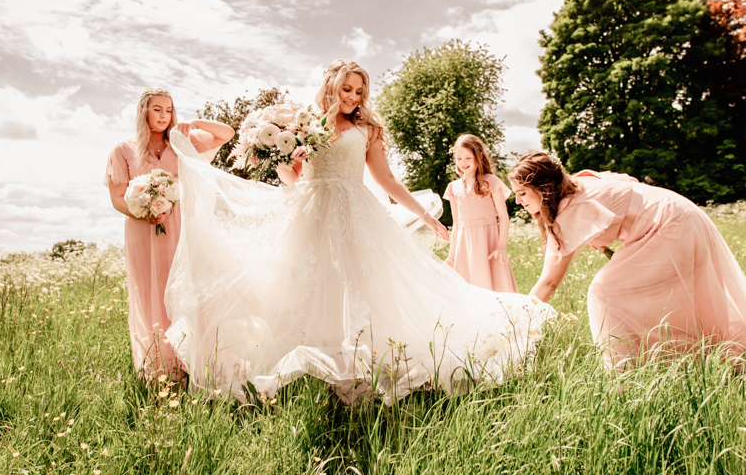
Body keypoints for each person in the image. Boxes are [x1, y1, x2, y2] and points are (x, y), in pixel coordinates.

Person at [164, 61, 554, 403]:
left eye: (359, 91)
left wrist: (428, 215)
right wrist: (289, 160)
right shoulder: (305, 124)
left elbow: (386, 180)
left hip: (353, 211)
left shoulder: (368, 128)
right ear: (331, 86)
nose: (353, 96)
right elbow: (292, 179)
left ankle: (358, 370)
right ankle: (323, 369)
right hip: (311, 213)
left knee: (360, 288)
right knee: (307, 288)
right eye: (347, 89)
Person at [508, 152, 746, 369]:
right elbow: (628, 181)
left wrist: (519, 323)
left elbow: (549, 282)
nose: (518, 201)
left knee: (604, 291)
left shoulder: (567, 215)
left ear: (543, 189)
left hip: (671, 225)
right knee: (686, 291)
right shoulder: (581, 181)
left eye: (522, 193)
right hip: (680, 209)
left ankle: (621, 370)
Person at [105, 88, 234, 378]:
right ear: (144, 112)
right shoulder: (123, 150)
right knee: (151, 292)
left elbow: (226, 134)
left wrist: (197, 123)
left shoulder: (181, 141)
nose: (163, 116)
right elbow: (117, 198)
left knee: (185, 290)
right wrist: (144, 212)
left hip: (181, 226)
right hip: (143, 230)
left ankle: (193, 363)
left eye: (168, 109)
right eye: (157, 110)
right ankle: (162, 369)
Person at [443, 134, 518, 293]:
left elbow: (503, 217)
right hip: (466, 247)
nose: (463, 163)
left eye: (468, 158)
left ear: (479, 156)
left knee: (497, 289)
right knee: (470, 292)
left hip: (490, 244)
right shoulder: (453, 188)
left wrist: (502, 247)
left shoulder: (490, 181)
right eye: (459, 158)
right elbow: (457, 225)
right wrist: (452, 256)